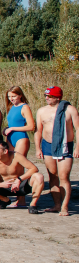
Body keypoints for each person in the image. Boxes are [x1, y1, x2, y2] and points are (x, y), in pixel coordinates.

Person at [35, 86, 77, 216]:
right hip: (47, 145)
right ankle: (57, 205)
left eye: (50, 96)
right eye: (46, 96)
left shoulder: (69, 110)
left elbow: (78, 128)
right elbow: (38, 131)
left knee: (64, 177)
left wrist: (77, 147)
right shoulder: (41, 111)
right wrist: (37, 148)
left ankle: (64, 207)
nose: (47, 98)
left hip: (65, 145)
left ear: (58, 97)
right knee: (53, 176)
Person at [0, 138, 44, 210]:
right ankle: (5, 200)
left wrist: (19, 179)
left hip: (20, 185)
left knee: (39, 176)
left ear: (5, 151)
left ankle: (33, 205)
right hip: (4, 187)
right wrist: (2, 184)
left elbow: (34, 169)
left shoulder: (16, 156)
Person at [4, 87, 35, 158]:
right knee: (10, 163)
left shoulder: (25, 107)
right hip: (10, 137)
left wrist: (12, 128)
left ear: (20, 95)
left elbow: (31, 127)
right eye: (9, 96)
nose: (11, 99)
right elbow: (12, 123)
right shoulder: (11, 106)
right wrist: (6, 129)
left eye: (14, 96)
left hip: (20, 138)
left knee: (18, 162)